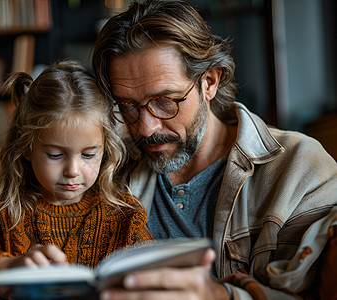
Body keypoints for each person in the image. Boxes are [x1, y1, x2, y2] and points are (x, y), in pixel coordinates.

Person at [91, 0, 337, 299]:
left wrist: (219, 295)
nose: (146, 128)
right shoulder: (105, 170)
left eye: (165, 101)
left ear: (209, 82)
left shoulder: (299, 168)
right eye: (127, 106)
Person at [0, 61, 154, 299]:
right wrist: (6, 266)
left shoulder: (125, 215)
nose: (73, 170)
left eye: (89, 154)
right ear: (27, 146)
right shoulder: (2, 213)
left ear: (105, 148)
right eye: (56, 155)